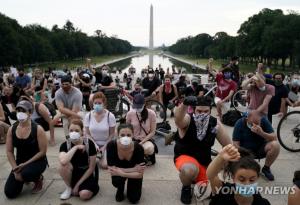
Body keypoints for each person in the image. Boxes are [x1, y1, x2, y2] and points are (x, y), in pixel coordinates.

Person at [174, 96, 231, 204]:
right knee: (189, 170)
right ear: (194, 110)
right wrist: (184, 104)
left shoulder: (214, 123)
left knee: (211, 191)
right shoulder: (188, 119)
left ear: (210, 111)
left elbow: (228, 145)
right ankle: (186, 187)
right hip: (185, 157)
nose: (202, 114)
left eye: (206, 111)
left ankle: (197, 178)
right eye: (199, 111)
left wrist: (228, 162)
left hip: (204, 161)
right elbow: (178, 120)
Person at [5, 100, 48, 198]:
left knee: (25, 174)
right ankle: (23, 177)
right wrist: (15, 168)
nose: (20, 113)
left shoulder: (38, 129)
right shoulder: (12, 129)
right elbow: (9, 151)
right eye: (18, 110)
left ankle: (38, 178)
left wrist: (25, 165)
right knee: (10, 193)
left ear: (30, 112)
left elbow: (42, 152)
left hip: (37, 161)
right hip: (20, 163)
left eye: (23, 111)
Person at [233, 110, 280, 181]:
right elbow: (236, 144)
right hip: (245, 152)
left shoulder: (264, 120)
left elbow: (274, 137)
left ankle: (266, 168)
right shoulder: (240, 123)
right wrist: (244, 156)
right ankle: (245, 165)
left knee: (275, 145)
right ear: (247, 118)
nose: (255, 126)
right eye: (252, 124)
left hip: (260, 149)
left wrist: (262, 133)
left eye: (257, 123)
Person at [58, 119, 99, 200]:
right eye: (71, 130)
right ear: (68, 132)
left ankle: (84, 187)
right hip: (73, 173)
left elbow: (91, 168)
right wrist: (76, 147)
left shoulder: (89, 144)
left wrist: (77, 185)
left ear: (82, 132)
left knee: (84, 195)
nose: (74, 133)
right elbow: (63, 161)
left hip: (86, 173)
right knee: (62, 166)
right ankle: (69, 188)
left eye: (77, 130)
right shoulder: (64, 145)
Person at [107, 123, 145, 203]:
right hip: (130, 172)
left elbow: (140, 174)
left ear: (133, 135)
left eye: (128, 135)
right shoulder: (111, 145)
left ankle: (130, 186)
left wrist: (122, 173)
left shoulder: (138, 148)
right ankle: (120, 188)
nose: (125, 137)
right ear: (118, 135)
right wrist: (134, 169)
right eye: (122, 135)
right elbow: (111, 171)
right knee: (117, 181)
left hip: (132, 175)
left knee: (134, 199)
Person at [84, 92, 116, 169]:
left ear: (104, 104)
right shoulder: (88, 116)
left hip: (106, 143)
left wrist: (104, 147)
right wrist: (95, 145)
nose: (97, 105)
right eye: (95, 103)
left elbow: (112, 134)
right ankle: (96, 156)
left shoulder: (110, 116)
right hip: (93, 143)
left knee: (105, 165)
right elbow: (87, 134)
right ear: (93, 104)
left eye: (99, 103)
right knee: (88, 163)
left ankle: (103, 155)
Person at [126, 94, 157, 165]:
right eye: (135, 106)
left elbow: (152, 132)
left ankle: (144, 156)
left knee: (148, 148)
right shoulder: (130, 113)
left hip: (145, 140)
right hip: (133, 139)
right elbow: (126, 129)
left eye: (139, 106)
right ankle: (139, 157)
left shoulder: (151, 114)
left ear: (144, 103)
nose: (137, 108)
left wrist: (142, 142)